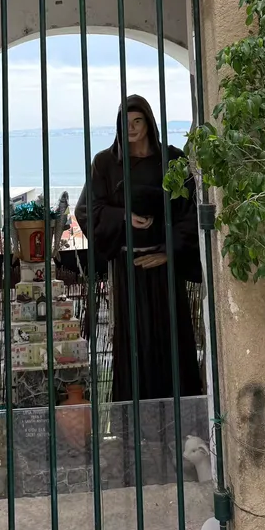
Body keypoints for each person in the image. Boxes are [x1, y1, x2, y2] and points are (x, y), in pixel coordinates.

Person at [75, 95, 202, 402]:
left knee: (171, 339)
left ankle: (181, 416)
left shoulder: (172, 159)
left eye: (137, 121)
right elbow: (86, 210)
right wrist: (123, 216)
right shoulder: (105, 163)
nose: (131, 128)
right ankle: (135, 418)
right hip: (127, 267)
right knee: (134, 342)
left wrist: (169, 252)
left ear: (149, 123)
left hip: (166, 267)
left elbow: (191, 210)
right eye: (125, 122)